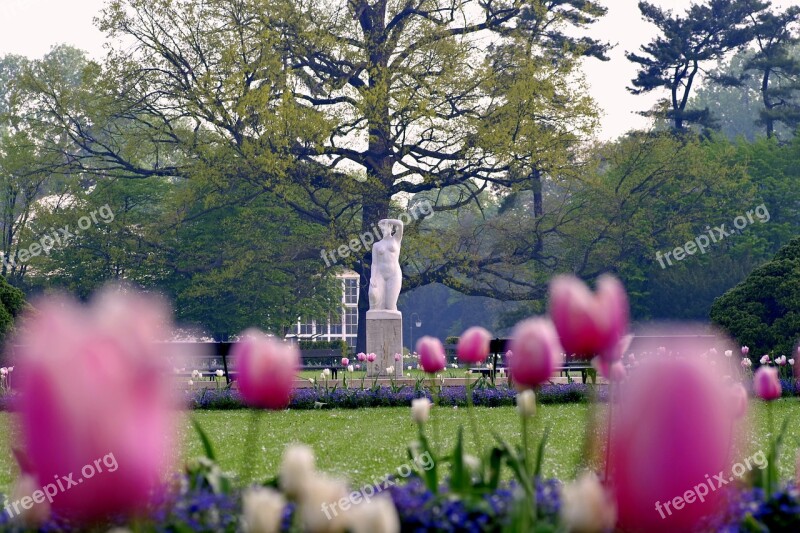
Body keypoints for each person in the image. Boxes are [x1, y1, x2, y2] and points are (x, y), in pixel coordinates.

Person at [369, 219, 403, 311]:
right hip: (380, 274)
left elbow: (400, 224)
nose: (383, 231)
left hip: (394, 274)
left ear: (391, 228)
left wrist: (387, 221)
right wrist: (372, 277)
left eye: (385, 228)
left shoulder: (396, 239)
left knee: (390, 306)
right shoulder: (376, 245)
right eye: (382, 229)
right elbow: (374, 263)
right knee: (373, 297)